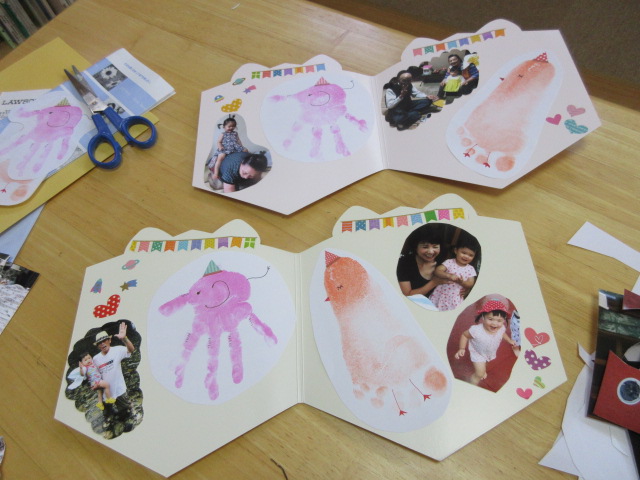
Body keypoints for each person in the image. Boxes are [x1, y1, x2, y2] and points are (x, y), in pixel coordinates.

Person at [454, 299, 517, 385]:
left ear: (503, 320)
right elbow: (465, 335)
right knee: (479, 374)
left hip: (489, 352)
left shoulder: (501, 328)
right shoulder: (476, 330)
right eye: (490, 319)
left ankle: (482, 370)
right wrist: (462, 348)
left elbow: (502, 333)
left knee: (486, 363)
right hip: (477, 353)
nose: (494, 323)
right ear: (483, 317)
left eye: (499, 320)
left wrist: (509, 340)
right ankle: (472, 383)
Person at [93, 322, 135, 420]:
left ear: (109, 340)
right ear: (98, 346)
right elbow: (95, 376)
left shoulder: (117, 350)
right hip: (106, 394)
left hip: (119, 390)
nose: (102, 343)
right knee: (108, 415)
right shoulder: (95, 359)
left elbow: (131, 350)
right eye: (99, 342)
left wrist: (124, 339)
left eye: (104, 340)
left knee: (126, 412)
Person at [397, 223, 451, 298]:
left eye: (435, 247)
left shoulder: (444, 264)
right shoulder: (404, 263)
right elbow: (407, 295)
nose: (431, 251)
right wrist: (434, 282)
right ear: (415, 247)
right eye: (425, 247)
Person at [429, 234, 479, 311]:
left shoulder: (470, 269)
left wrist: (462, 282)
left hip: (454, 299)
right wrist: (448, 275)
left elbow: (470, 283)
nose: (466, 256)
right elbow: (437, 271)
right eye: (464, 253)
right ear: (456, 251)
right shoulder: (449, 262)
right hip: (440, 294)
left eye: (471, 255)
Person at [210, 117, 247, 181]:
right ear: (224, 127)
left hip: (235, 146)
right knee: (220, 157)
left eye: (233, 126)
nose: (231, 128)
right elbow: (219, 142)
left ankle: (248, 162)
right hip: (225, 147)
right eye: (229, 126)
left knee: (245, 150)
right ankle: (216, 173)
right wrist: (220, 147)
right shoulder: (223, 134)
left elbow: (238, 140)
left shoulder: (235, 133)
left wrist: (241, 146)